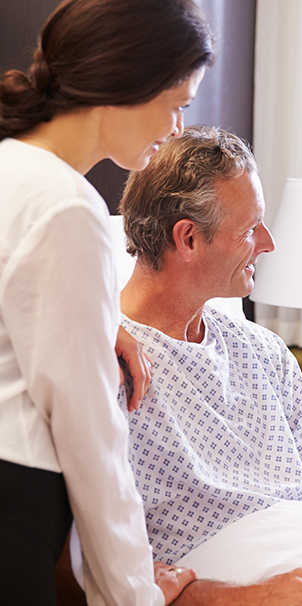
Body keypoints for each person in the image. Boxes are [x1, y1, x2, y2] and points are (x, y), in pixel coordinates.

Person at [117, 125, 302, 605]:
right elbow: (84, 566)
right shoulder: (111, 364)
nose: (269, 243)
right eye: (251, 228)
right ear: (188, 238)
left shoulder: (264, 350)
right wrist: (251, 597)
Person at [0, 1, 214, 604]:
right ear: (129, 81)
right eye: (177, 105)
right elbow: (90, 436)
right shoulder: (67, 206)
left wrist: (99, 319)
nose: (175, 129)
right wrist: (136, 593)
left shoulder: (11, 167)